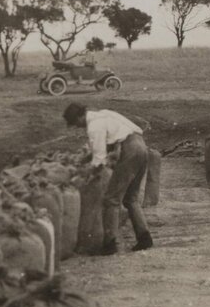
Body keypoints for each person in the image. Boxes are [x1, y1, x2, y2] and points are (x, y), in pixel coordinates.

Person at [62, 103, 153, 255]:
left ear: (80, 116)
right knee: (131, 198)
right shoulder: (104, 113)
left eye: (75, 123)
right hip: (141, 147)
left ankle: (110, 244)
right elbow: (113, 140)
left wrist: (86, 174)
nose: (77, 127)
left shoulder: (94, 126)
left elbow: (99, 160)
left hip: (130, 150)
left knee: (111, 199)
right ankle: (145, 237)